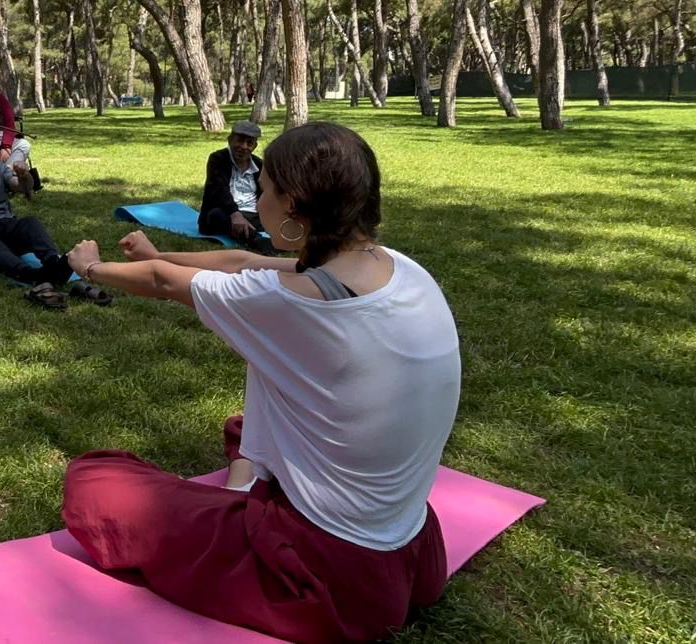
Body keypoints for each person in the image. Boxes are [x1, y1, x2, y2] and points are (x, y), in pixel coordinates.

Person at [60, 122, 461, 643]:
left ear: (293, 205)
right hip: (415, 553)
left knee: (95, 483)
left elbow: (165, 286)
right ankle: (247, 487)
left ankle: (243, 502)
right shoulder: (400, 269)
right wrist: (158, 254)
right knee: (246, 426)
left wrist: (91, 268)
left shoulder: (289, 302)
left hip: (327, 573)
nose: (259, 198)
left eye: (266, 189)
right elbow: (243, 261)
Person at [0, 125, 105, 309]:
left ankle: (54, 264)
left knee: (30, 223)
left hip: (4, 225)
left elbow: (21, 187)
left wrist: (24, 175)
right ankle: (33, 276)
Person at [199, 119, 276, 256]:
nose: (244, 146)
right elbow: (219, 190)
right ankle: (256, 240)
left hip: (253, 214)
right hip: (227, 213)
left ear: (255, 146)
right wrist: (235, 214)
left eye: (249, 143)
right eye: (239, 141)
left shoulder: (259, 164)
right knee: (215, 215)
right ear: (230, 140)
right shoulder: (218, 159)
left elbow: (268, 191)